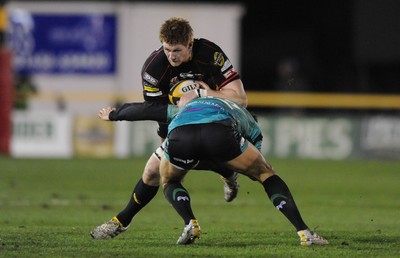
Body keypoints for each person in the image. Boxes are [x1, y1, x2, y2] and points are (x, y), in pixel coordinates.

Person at [96, 96, 329, 246]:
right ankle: (304, 232)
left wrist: (115, 115)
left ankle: (190, 223)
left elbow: (148, 110)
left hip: (181, 136)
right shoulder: (248, 121)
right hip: (220, 134)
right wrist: (239, 171)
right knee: (266, 174)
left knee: (168, 181)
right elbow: (254, 158)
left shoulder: (189, 105)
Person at [90, 17, 247, 239]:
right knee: (156, 170)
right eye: (167, 49)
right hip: (180, 125)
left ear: (190, 44)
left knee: (161, 173)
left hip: (217, 122)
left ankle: (121, 222)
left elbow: (241, 99)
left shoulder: (210, 54)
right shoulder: (154, 70)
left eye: (177, 50)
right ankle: (226, 172)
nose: (171, 55)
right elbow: (155, 111)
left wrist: (202, 95)